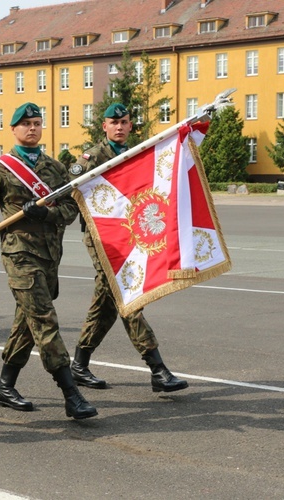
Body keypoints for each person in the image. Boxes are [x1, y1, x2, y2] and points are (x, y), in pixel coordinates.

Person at [0, 102, 97, 420]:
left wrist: (48, 212)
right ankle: (71, 393)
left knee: (27, 324)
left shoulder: (55, 168)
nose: (32, 128)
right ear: (13, 129)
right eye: (25, 123)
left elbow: (71, 209)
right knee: (44, 319)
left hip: (50, 256)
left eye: (37, 122)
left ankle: (5, 386)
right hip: (20, 256)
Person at [67, 103, 188, 393]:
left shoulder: (135, 155)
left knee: (105, 304)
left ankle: (79, 365)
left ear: (130, 125)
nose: (119, 127)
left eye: (124, 122)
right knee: (128, 296)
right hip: (102, 238)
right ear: (104, 127)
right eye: (113, 122)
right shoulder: (92, 157)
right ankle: (157, 369)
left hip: (130, 238)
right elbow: (73, 192)